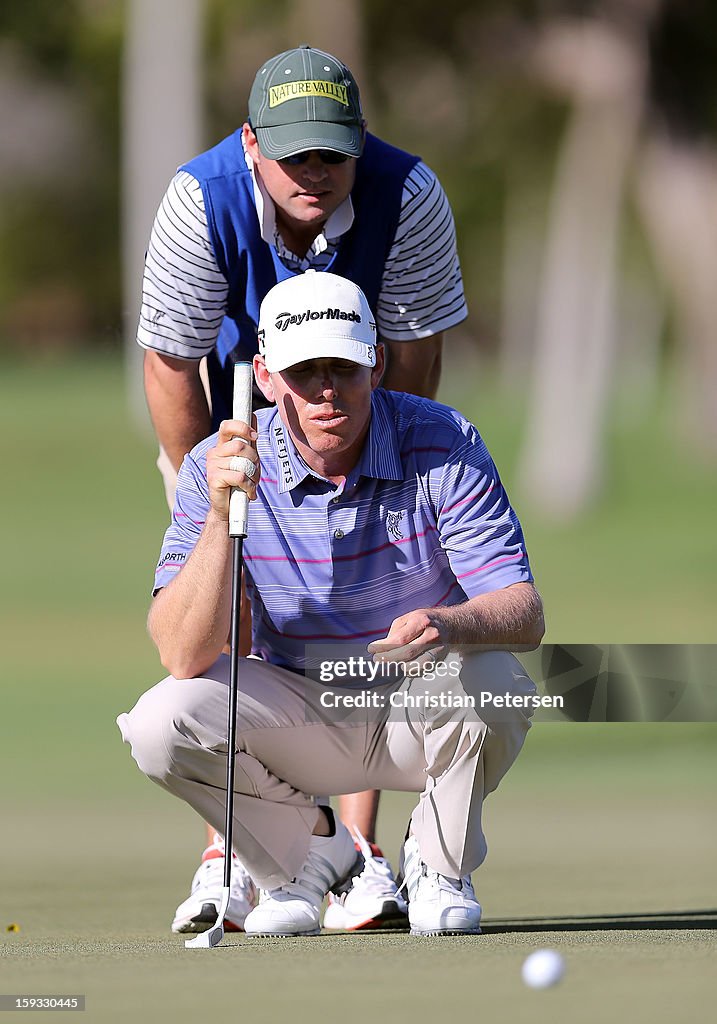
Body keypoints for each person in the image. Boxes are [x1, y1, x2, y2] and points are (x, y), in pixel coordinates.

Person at [137, 44, 468, 933]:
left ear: (358, 143)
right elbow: (170, 358)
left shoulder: (410, 195)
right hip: (229, 416)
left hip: (362, 417)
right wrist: (202, 486)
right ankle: (244, 847)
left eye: (332, 151)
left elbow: (414, 349)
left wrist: (376, 475)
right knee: (218, 622)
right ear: (252, 144)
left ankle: (353, 854)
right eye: (294, 155)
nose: (314, 172)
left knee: (364, 617)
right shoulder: (198, 199)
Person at [118, 271, 545, 937]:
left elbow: (522, 612)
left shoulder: (441, 441)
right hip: (299, 712)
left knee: (496, 679)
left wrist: (447, 622)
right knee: (159, 723)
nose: (325, 389)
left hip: (417, 703)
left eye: (342, 366)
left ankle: (436, 864)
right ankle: (308, 857)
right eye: (303, 370)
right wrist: (221, 519)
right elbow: (182, 652)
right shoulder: (217, 461)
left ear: (374, 364)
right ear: (264, 375)